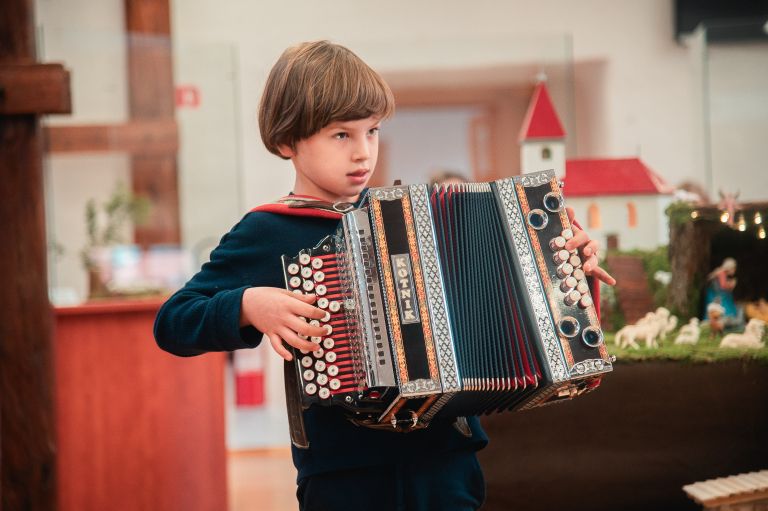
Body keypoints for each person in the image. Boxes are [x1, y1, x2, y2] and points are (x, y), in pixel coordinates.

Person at [154, 40, 614, 511]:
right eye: (341, 135)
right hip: (346, 475)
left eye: (371, 131)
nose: (363, 153)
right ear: (287, 141)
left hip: (446, 461)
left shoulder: (405, 220)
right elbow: (174, 322)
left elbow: (500, 297)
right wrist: (248, 305)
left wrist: (565, 271)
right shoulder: (270, 230)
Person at [704, 257, 742, 330]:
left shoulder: (720, 272)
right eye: (734, 269)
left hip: (715, 296)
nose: (734, 270)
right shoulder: (722, 273)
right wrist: (732, 284)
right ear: (730, 268)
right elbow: (723, 287)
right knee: (729, 310)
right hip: (717, 297)